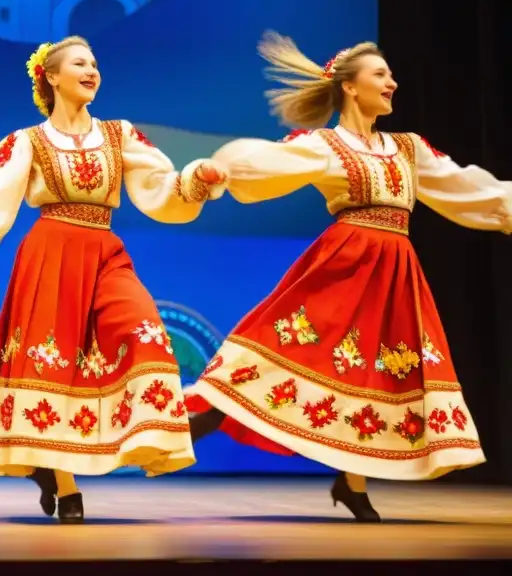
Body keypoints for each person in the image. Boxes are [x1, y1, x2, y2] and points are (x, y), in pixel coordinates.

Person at [184, 32, 509, 522]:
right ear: (351, 88)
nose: (393, 82)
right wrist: (220, 170)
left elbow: (465, 186)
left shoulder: (408, 149)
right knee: (286, 355)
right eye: (381, 74)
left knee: (374, 373)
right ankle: (194, 420)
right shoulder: (326, 146)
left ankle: (351, 482)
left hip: (396, 273)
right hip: (343, 267)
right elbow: (261, 161)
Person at [0, 36, 227, 524]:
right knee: (53, 362)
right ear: (51, 77)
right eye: (79, 63)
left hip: (103, 250)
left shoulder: (119, 135)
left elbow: (159, 186)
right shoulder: (28, 140)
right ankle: (65, 482)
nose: (92, 69)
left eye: (95, 63)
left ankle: (129, 438)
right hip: (51, 253)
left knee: (145, 332)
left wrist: (193, 181)